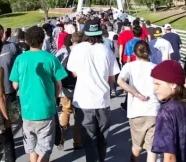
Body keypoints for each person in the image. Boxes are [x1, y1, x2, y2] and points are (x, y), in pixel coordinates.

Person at [10, 26, 68, 162]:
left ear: (27, 41)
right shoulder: (51, 58)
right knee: (44, 149)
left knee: (32, 148)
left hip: (27, 110)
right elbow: (59, 84)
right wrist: (54, 97)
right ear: (42, 40)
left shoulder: (20, 59)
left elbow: (14, 85)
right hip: (46, 109)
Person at [67, 18, 120, 162]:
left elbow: (74, 72)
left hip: (84, 102)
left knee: (89, 141)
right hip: (102, 101)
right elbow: (112, 78)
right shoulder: (106, 50)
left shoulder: (77, 49)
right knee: (102, 139)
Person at [151, 60, 186, 162]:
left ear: (173, 84)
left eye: (157, 84)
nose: (154, 89)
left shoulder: (166, 112)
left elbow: (170, 157)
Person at [117, 41, 159, 162]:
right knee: (151, 148)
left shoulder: (129, 66)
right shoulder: (155, 67)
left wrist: (135, 93)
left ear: (134, 53)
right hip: (153, 109)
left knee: (136, 146)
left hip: (136, 110)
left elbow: (120, 81)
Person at [0, 24, 19, 159]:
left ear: (1, 32)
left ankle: (8, 155)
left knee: (7, 125)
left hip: (8, 91)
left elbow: (19, 65)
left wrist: (17, 82)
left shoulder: (12, 46)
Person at [56, 33, 83, 150]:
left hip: (65, 87)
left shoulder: (62, 52)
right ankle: (77, 142)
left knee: (65, 111)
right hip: (79, 87)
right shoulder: (83, 52)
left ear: (72, 40)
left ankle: (61, 136)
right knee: (78, 116)